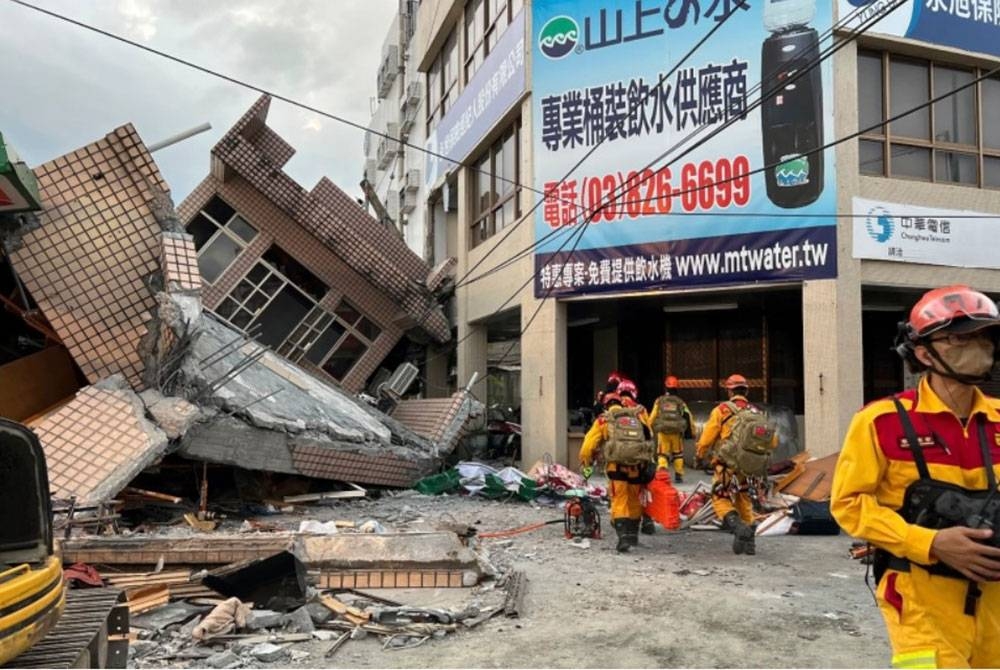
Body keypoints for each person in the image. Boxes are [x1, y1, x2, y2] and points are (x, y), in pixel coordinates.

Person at [830, 285, 1000, 669]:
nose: (979, 346)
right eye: (961, 338)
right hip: (920, 596)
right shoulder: (881, 421)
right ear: (924, 352)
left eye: (984, 336)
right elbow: (848, 504)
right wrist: (930, 542)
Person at [695, 373, 775, 555]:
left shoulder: (722, 410)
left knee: (720, 497)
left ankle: (738, 528)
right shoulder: (756, 411)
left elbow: (707, 437)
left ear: (730, 391)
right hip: (749, 467)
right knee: (743, 499)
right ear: (745, 391)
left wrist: (700, 454)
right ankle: (749, 543)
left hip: (727, 464)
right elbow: (772, 440)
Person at [579, 388, 655, 552]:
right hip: (637, 466)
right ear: (621, 404)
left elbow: (587, 447)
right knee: (634, 498)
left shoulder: (604, 420)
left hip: (617, 468)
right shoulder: (637, 416)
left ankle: (623, 537)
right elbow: (649, 436)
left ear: (606, 406)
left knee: (619, 499)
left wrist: (586, 463)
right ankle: (633, 535)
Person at [649, 375, 695, 484]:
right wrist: (692, 431)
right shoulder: (680, 402)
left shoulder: (659, 401)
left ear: (666, 387)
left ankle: (663, 475)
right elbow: (689, 416)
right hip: (676, 432)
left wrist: (648, 428)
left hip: (663, 432)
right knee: (678, 454)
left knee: (662, 454)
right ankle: (678, 475)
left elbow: (652, 416)